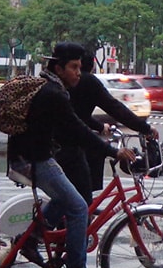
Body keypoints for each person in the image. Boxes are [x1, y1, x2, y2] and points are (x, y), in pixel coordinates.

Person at [6, 42, 135, 268]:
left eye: (79, 67)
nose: (78, 73)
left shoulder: (49, 87)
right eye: (74, 67)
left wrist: (99, 134)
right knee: (78, 207)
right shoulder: (54, 94)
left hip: (33, 156)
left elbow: (76, 125)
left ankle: (32, 238)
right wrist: (113, 151)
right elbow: (77, 130)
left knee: (67, 198)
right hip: (34, 160)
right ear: (59, 68)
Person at [57, 49, 156, 204]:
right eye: (74, 67)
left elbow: (77, 115)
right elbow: (115, 108)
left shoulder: (68, 82)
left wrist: (100, 126)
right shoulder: (87, 81)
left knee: (75, 199)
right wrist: (145, 128)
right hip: (68, 147)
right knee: (81, 203)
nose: (78, 73)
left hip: (61, 144)